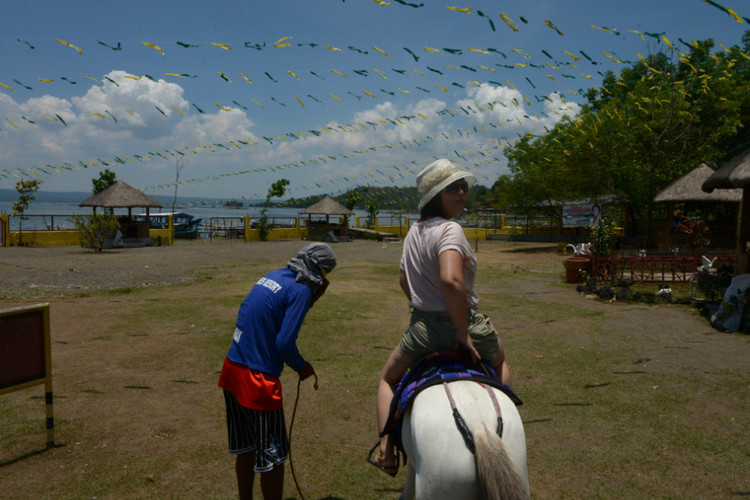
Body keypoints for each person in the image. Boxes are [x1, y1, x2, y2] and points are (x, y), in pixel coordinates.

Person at [369, 159, 511, 477]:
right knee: (501, 362)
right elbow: (451, 280)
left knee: (388, 379)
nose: (462, 192)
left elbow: (404, 281)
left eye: (463, 186)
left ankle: (386, 452)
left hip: (423, 330)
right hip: (467, 324)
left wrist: (421, 306)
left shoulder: (413, 233)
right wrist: (462, 332)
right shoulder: (450, 229)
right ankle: (507, 430)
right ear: (437, 196)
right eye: (453, 188)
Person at [218, 242, 337, 500]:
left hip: (232, 368)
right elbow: (284, 343)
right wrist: (302, 367)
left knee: (247, 449)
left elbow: (275, 312)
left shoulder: (273, 276)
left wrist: (311, 297)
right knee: (274, 458)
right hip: (257, 381)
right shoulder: (301, 290)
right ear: (320, 272)